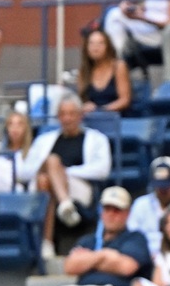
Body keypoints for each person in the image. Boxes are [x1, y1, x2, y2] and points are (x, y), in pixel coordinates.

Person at [29, 94, 112, 246]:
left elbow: (103, 170)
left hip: (79, 186)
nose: (67, 118)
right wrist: (53, 171)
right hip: (43, 187)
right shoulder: (43, 140)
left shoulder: (97, 139)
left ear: (80, 115)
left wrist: (63, 172)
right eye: (63, 114)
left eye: (71, 114)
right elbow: (25, 171)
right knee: (45, 176)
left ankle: (46, 242)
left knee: (51, 164)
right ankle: (65, 206)